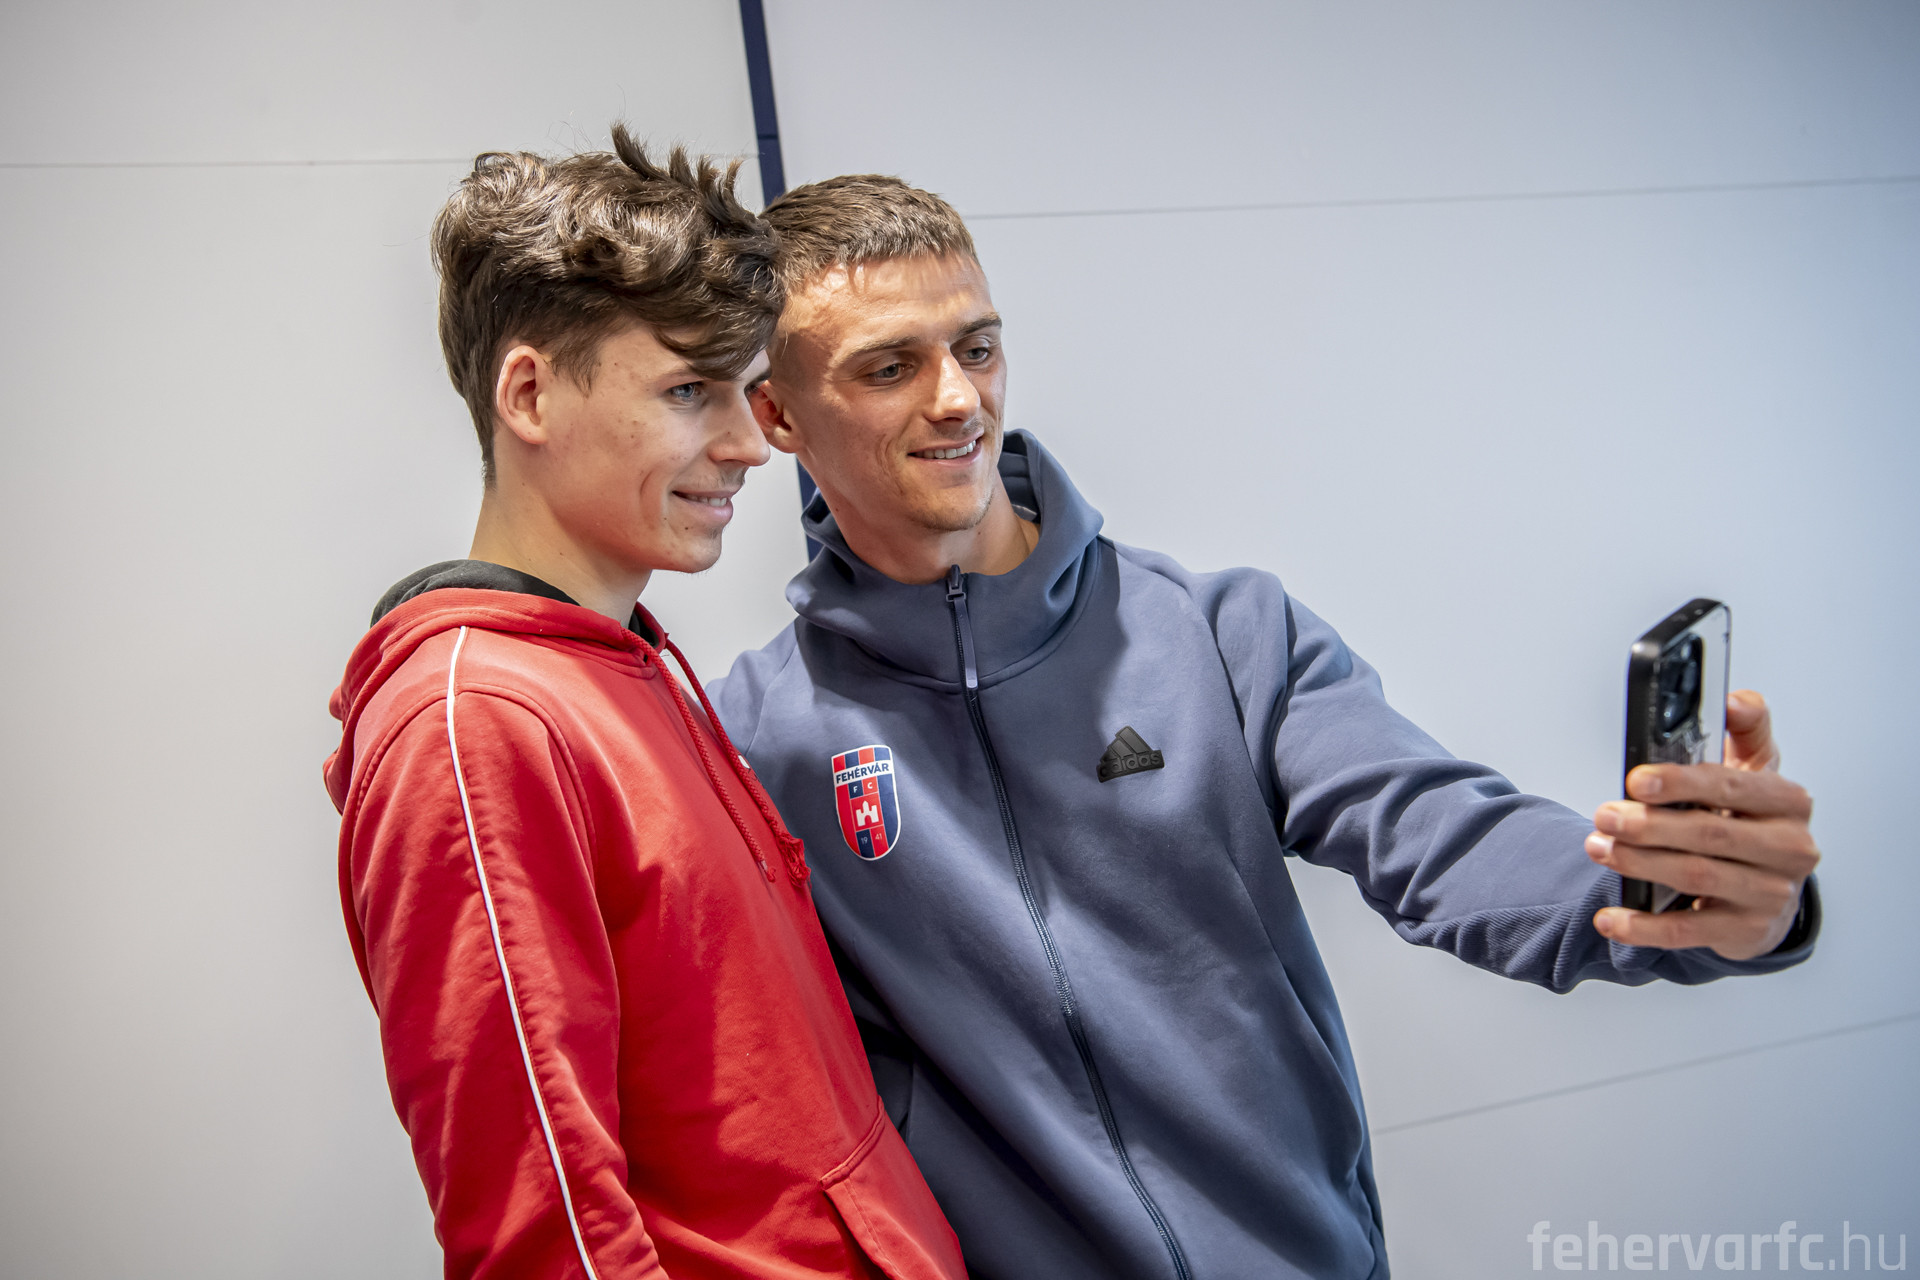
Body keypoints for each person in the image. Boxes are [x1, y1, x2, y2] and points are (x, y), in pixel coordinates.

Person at [710, 176, 1822, 1280]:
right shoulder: (755, 743)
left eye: (979, 347)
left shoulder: (1219, 632)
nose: (959, 399)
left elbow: (1446, 836)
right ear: (778, 415)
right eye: (891, 367)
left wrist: (1677, 891)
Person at [322, 136, 964, 1280]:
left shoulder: (617, 665)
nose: (746, 443)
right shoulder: (474, 725)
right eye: (687, 391)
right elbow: (544, 1229)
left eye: (741, 389)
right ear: (529, 392)